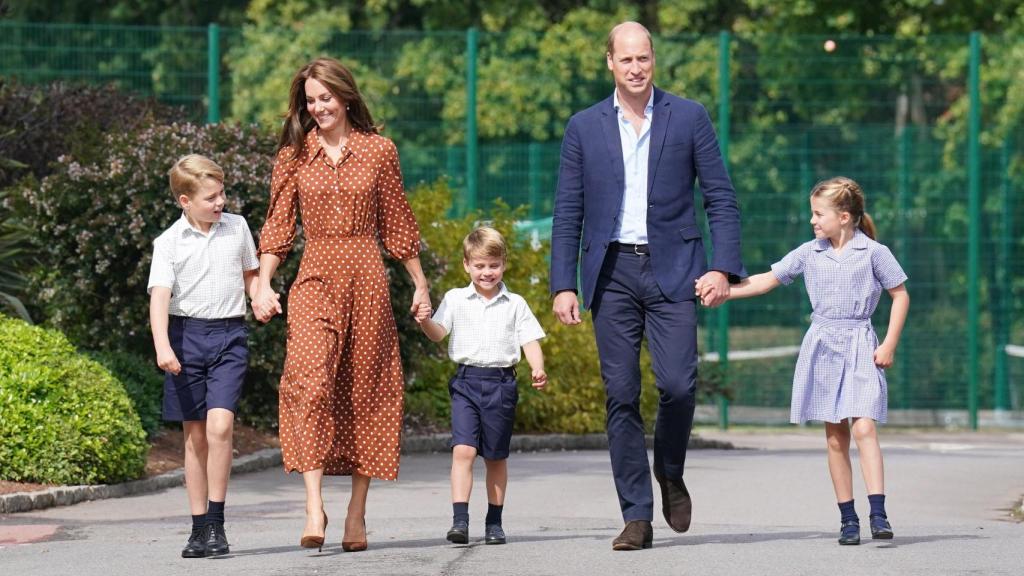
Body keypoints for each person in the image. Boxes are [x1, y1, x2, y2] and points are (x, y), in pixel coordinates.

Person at [549, 21, 745, 550]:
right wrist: (562, 284)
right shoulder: (583, 127)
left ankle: (671, 471)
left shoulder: (689, 116)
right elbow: (568, 210)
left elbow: (721, 199)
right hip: (610, 273)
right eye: (626, 60)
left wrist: (722, 269)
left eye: (644, 59)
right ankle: (636, 514)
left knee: (679, 385)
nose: (636, 68)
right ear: (609, 62)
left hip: (676, 268)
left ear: (653, 60)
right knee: (621, 395)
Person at [250, 57, 431, 553]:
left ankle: (356, 513)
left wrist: (419, 284)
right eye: (310, 101)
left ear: (346, 97)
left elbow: (397, 223)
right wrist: (264, 283)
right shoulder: (294, 155)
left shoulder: (379, 152)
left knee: (364, 390)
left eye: (325, 98)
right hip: (315, 277)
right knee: (308, 380)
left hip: (368, 278)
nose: (318, 107)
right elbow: (279, 226)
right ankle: (313, 505)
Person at [697, 176, 909, 545]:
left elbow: (900, 295)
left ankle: (878, 512)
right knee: (835, 436)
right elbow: (766, 280)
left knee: (864, 428)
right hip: (823, 347)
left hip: (860, 344)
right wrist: (725, 291)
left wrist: (889, 343)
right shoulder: (809, 252)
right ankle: (848, 519)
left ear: (843, 217)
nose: (812, 220)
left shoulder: (874, 253)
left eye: (818, 213)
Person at [148, 154, 260, 558]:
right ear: (185, 200)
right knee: (194, 437)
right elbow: (160, 297)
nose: (220, 203)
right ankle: (198, 529)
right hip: (185, 338)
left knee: (219, 428)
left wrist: (260, 295)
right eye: (211, 197)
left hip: (229, 335)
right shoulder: (169, 243)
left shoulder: (237, 228)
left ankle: (216, 523)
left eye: (222, 193)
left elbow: (251, 274)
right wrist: (163, 345)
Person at [418, 226, 547, 546]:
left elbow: (529, 339)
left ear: (503, 264)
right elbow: (438, 332)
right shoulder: (455, 299)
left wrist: (538, 368)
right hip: (466, 382)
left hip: (501, 384)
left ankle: (494, 522)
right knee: (463, 450)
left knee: (495, 457)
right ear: (466, 265)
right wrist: (424, 320)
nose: (486, 272)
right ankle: (460, 520)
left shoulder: (515, 303)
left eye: (493, 265)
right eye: (479, 265)